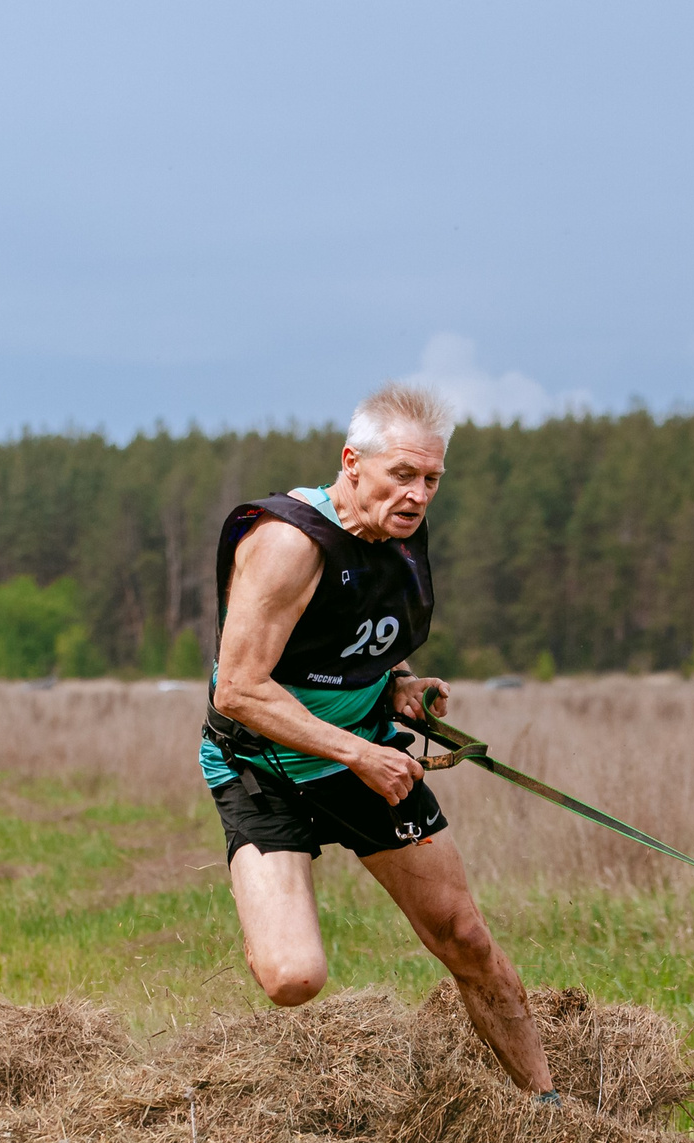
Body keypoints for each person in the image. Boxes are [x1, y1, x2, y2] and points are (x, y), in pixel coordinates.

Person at [200, 383, 555, 1098]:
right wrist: (358, 752)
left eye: (431, 480)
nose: (418, 494)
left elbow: (350, 631)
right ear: (352, 462)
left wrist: (399, 681)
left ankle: (548, 1106)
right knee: (293, 978)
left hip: (365, 756)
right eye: (402, 474)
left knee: (465, 938)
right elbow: (236, 687)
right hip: (263, 766)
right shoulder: (287, 544)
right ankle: (265, 909)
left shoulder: (393, 535)